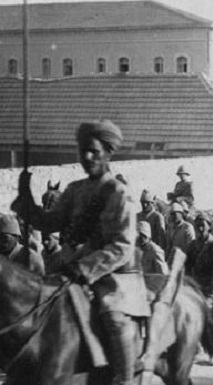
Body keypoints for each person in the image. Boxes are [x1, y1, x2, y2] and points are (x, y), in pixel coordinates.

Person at [12, 120, 148, 385]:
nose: (87, 157)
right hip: (73, 272)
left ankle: (126, 377)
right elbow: (51, 223)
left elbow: (122, 246)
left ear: (108, 153)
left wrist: (85, 268)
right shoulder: (75, 190)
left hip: (115, 277)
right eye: (83, 150)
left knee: (113, 316)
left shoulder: (120, 194)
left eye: (94, 151)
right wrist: (25, 198)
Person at [186, 212, 213, 363]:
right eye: (198, 226)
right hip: (197, 287)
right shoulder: (192, 245)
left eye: (203, 226)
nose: (200, 229)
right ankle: (197, 349)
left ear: (209, 227)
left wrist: (209, 296)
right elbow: (187, 268)